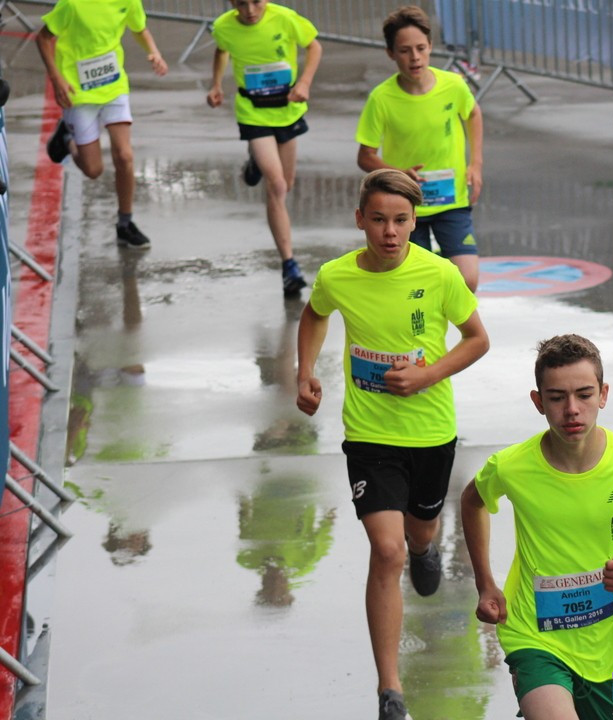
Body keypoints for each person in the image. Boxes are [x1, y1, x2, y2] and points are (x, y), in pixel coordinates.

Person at [295, 168, 489, 720]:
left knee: (419, 532)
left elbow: (477, 340)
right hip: (370, 435)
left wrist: (429, 375)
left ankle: (426, 548)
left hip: (430, 434)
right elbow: (314, 314)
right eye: (378, 220)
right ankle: (390, 689)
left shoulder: (440, 273)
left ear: (414, 222)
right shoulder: (337, 276)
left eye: (401, 221)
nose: (390, 231)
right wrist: (304, 371)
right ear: (360, 220)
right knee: (387, 550)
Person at [461, 334, 613, 720]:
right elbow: (472, 501)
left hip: (606, 647)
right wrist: (485, 582)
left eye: (584, 394)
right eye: (556, 397)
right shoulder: (512, 466)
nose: (572, 410)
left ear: (603, 394)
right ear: (538, 402)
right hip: (533, 633)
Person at [356, 5, 484, 292]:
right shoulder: (382, 98)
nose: (414, 57)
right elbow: (365, 156)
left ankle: (435, 262)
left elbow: (473, 113)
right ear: (390, 52)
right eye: (404, 50)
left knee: (468, 280)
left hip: (452, 200)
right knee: (414, 286)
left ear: (430, 47)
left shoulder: (453, 85)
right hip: (405, 207)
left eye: (420, 48)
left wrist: (475, 164)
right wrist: (398, 173)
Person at [206, 0, 323, 296]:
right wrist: (216, 84)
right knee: (277, 185)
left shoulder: (285, 19)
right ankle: (289, 265)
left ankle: (256, 162)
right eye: (241, 3)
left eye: (256, 2)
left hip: (287, 110)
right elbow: (222, 51)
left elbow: (314, 46)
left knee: (288, 182)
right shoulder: (224, 27)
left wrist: (305, 82)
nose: (250, 10)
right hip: (252, 111)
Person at [36, 0, 168, 249]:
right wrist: (57, 79)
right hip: (79, 93)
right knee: (93, 170)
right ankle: (67, 138)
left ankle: (125, 224)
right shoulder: (72, 5)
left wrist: (155, 52)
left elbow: (140, 28)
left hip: (114, 86)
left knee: (125, 156)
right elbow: (42, 39)